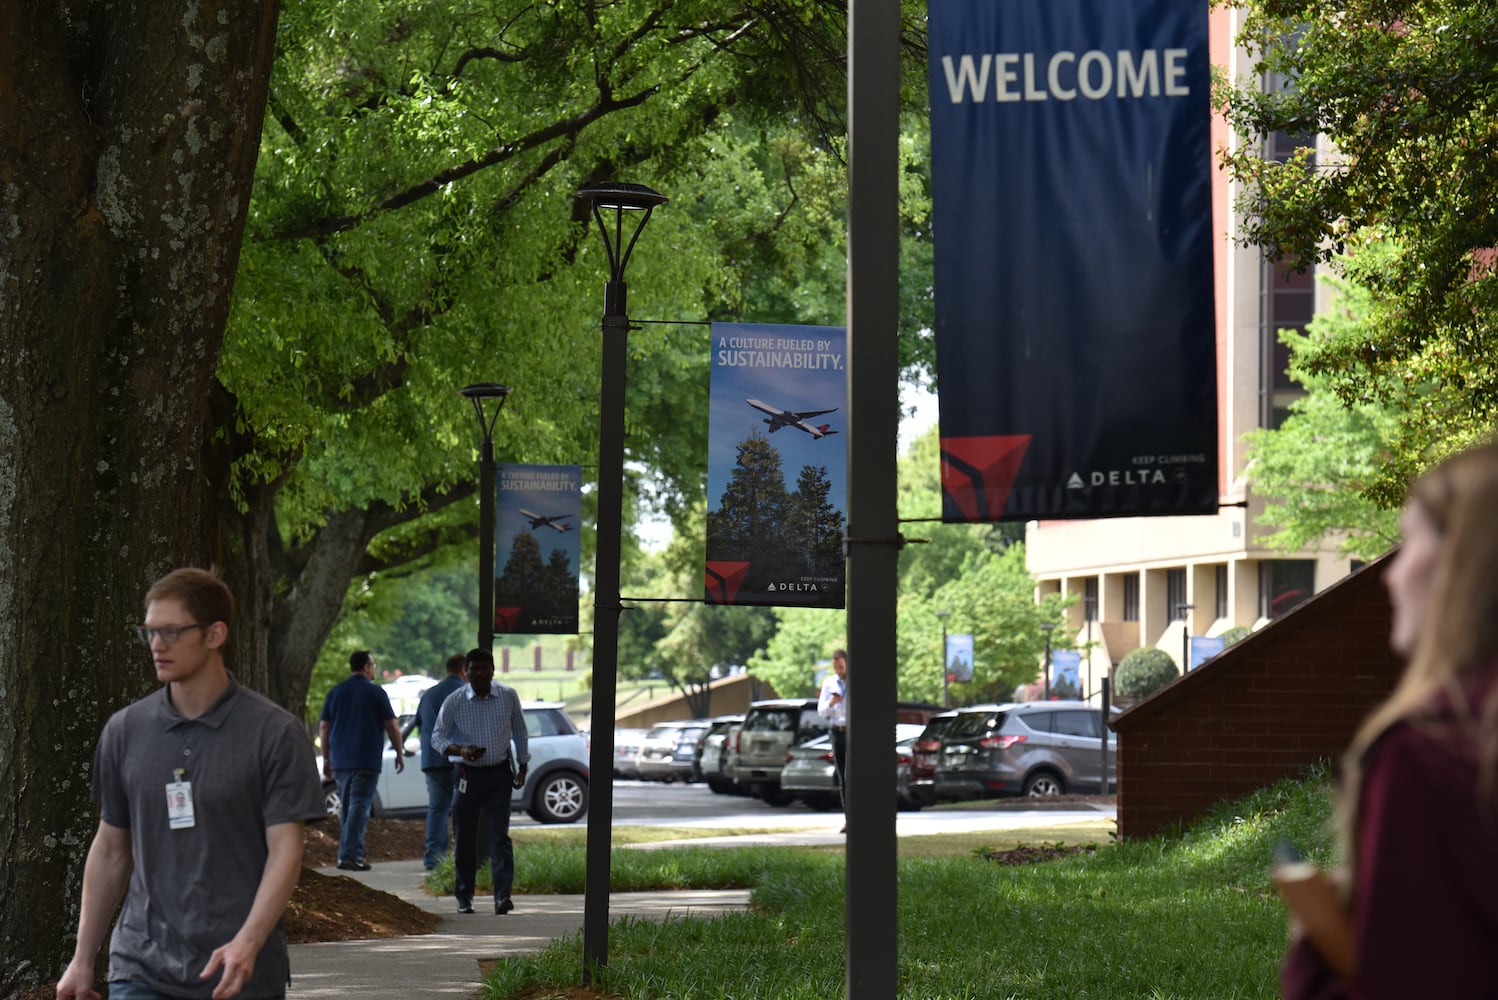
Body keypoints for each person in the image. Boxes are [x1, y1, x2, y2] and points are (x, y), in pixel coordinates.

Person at [1277, 441, 1498, 998]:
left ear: (1461, 563)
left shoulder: (1431, 754)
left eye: (1408, 543)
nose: (1389, 578)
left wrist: (1313, 948)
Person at [56, 567, 325, 1000]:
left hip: (241, 972)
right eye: (150, 632)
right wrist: (83, 958)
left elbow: (286, 851)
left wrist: (249, 940)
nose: (157, 645)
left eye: (172, 632)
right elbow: (110, 849)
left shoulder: (274, 733)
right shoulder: (125, 731)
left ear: (215, 634)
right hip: (141, 967)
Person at [431, 648, 529, 915]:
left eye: (485, 669)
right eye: (474, 669)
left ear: (493, 671)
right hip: (467, 775)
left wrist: (523, 765)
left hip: (499, 774)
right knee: (465, 837)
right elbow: (437, 737)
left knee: (499, 837)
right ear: (466, 671)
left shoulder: (507, 696)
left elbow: (520, 731)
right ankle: (464, 897)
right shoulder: (455, 700)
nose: (480, 674)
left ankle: (502, 897)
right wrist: (460, 750)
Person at [318, 651, 403, 872]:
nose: (374, 668)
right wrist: (399, 752)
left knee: (348, 807)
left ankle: (353, 853)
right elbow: (392, 725)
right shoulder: (376, 692)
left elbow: (324, 727)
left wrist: (327, 757)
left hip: (340, 760)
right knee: (358, 806)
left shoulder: (336, 692)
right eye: (373, 665)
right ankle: (348, 855)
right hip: (365, 758)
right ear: (366, 667)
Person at [411, 653, 468, 870]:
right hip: (461, 759)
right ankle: (461, 856)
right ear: (464, 670)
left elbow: (419, 723)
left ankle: (434, 858)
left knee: (438, 809)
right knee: (463, 809)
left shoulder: (430, 694)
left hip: (433, 760)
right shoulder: (464, 693)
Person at [818, 648, 849, 834]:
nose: (839, 670)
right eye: (835, 667)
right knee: (843, 776)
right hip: (837, 732)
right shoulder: (829, 683)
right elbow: (821, 711)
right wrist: (832, 702)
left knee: (855, 776)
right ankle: (848, 819)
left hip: (853, 732)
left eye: (841, 666)